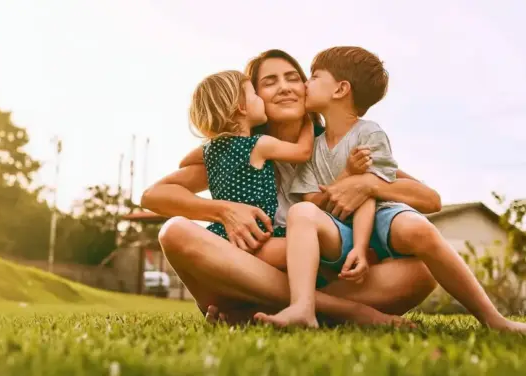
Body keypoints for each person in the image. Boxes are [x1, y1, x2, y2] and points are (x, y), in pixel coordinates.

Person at [141, 49, 441, 327]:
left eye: (294, 78)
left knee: (421, 273)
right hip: (250, 274)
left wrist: (367, 183)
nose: (285, 87)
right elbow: (154, 195)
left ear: (307, 89)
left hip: (332, 278)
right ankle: (337, 311)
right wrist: (223, 210)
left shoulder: (339, 146)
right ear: (249, 99)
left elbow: (429, 199)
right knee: (174, 231)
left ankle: (270, 310)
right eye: (269, 82)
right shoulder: (241, 151)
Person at [256, 46, 526, 333]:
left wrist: (364, 188)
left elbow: (404, 196)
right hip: (334, 236)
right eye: (270, 81)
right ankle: (307, 307)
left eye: (309, 77)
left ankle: (493, 319)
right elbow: (316, 202)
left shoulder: (366, 135)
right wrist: (347, 180)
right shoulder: (290, 150)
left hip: (376, 219)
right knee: (302, 212)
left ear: (341, 89)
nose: (303, 85)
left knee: (418, 231)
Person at [186, 69, 314, 244]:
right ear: (242, 107)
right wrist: (308, 120)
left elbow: (184, 162)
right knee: (309, 248)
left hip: (223, 233)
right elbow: (303, 152)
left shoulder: (211, 148)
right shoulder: (259, 145)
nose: (260, 99)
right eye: (255, 95)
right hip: (258, 235)